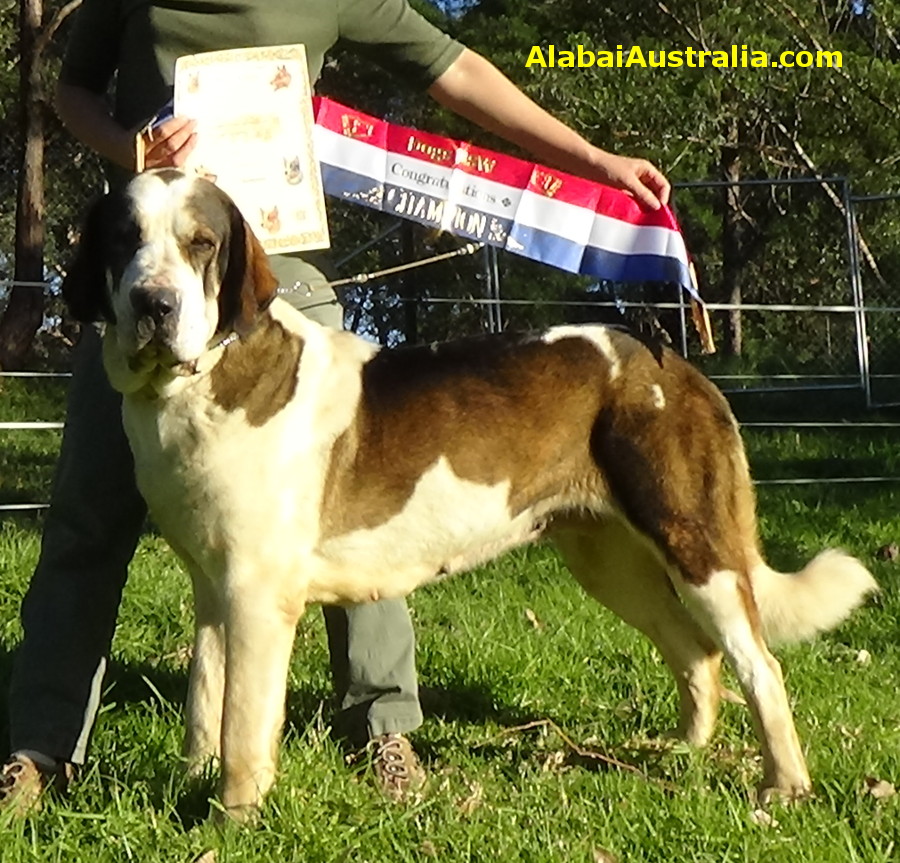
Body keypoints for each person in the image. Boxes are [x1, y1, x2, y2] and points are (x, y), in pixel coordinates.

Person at [0, 0, 670, 814]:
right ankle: (39, 747)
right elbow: (74, 91)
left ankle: (382, 725)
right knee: (83, 519)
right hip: (150, 288)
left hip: (279, 290)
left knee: (369, 497)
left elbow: (454, 72)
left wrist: (591, 158)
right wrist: (127, 146)